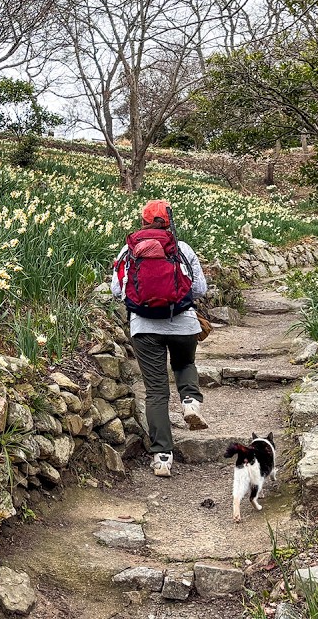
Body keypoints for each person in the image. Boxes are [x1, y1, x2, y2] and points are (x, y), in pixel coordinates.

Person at [110, 199, 208, 478]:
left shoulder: (129, 249)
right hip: (183, 324)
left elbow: (117, 291)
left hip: (144, 327)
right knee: (184, 364)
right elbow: (199, 288)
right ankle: (190, 401)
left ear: (143, 221)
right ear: (168, 221)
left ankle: (162, 457)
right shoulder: (181, 248)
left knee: (156, 392)